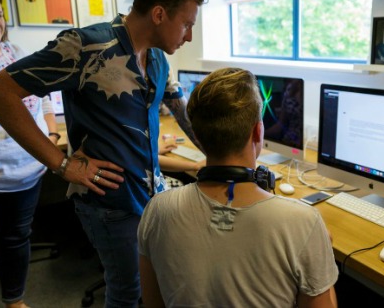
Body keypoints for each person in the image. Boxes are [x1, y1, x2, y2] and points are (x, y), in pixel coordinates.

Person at [0, 0, 206, 307]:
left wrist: (224, 157)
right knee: (127, 292)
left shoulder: (158, 57)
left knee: (153, 281)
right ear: (159, 14)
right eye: (187, 24)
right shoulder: (84, 47)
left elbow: (181, 112)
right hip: (109, 201)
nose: (188, 35)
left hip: (150, 193)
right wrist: (62, 164)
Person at [137, 68, 339, 307]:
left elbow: (152, 302)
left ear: (198, 135)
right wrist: (317, 249)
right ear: (258, 131)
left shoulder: (156, 210)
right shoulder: (303, 222)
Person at [0, 0, 59, 308]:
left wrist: (51, 136)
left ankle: (14, 301)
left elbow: (45, 99)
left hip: (27, 174)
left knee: (16, 241)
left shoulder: (17, 56)